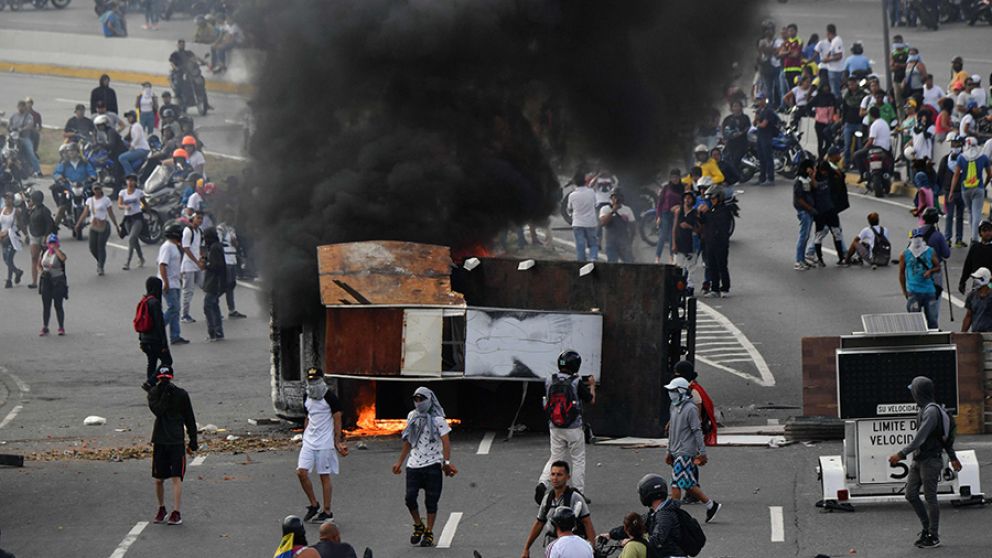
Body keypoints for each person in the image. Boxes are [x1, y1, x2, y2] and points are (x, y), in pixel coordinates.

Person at [888, 377, 960, 549]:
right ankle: (927, 528)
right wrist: (952, 457)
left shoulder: (931, 412)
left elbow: (921, 437)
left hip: (930, 460)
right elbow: (943, 439)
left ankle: (933, 535)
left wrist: (901, 454)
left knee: (930, 497)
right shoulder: (923, 410)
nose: (912, 394)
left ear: (919, 392)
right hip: (920, 460)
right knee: (910, 494)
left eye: (913, 391)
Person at [392, 387, 457, 548]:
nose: (419, 403)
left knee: (431, 501)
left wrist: (446, 463)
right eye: (416, 399)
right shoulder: (412, 416)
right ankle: (418, 525)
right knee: (409, 498)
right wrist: (400, 461)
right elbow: (409, 440)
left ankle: (429, 531)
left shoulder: (438, 419)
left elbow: (446, 442)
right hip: (414, 464)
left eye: (422, 399)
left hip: (433, 464)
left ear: (429, 400)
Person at [536, 350, 595, 504]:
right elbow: (590, 399)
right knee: (578, 460)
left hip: (555, 426)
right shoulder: (576, 382)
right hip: (573, 427)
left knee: (555, 457)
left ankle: (543, 482)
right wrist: (592, 386)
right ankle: (578, 493)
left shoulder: (549, 380)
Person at [664, 377, 721, 523]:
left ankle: (674, 514)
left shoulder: (690, 409)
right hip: (676, 450)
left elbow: (697, 431)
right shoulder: (674, 406)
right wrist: (668, 450)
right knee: (687, 483)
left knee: (676, 483)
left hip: (685, 451)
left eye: (673, 391)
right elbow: (672, 431)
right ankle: (711, 505)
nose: (671, 394)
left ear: (682, 391)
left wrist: (702, 452)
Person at [297, 367, 348, 524]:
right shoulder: (306, 396)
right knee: (301, 472)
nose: (313, 383)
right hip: (309, 441)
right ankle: (314, 504)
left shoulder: (330, 397)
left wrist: (337, 440)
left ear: (321, 380)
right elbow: (308, 417)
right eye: (310, 380)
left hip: (325, 443)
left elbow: (337, 417)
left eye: (316, 380)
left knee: (323, 476)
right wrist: (304, 435)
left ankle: (327, 511)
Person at [148, 365, 197, 526]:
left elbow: (189, 417)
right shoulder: (154, 393)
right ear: (158, 379)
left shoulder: (181, 394)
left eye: (166, 379)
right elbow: (158, 411)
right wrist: (164, 395)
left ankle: (176, 511)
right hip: (160, 440)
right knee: (158, 479)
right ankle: (161, 508)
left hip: (176, 440)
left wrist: (193, 440)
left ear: (171, 378)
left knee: (177, 477)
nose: (164, 382)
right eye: (162, 379)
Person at [522, 461, 595, 558]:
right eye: (553, 474)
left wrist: (593, 549)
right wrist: (526, 548)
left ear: (567, 477)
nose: (555, 478)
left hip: (572, 546)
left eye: (559, 475)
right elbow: (539, 523)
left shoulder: (575, 498)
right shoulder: (547, 498)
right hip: (553, 545)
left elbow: (587, 523)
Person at [604, 474, 685, 557]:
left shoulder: (664, 515)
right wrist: (611, 534)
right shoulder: (655, 513)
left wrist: (633, 541)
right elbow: (634, 525)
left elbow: (657, 540)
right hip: (662, 554)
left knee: (633, 548)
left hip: (671, 555)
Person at [950, 137, 992, 242]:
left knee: (970, 212)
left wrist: (951, 191)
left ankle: (974, 235)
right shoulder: (983, 157)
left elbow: (956, 175)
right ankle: (974, 237)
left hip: (965, 189)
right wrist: (985, 184)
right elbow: (989, 174)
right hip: (978, 188)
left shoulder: (961, 157)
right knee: (977, 212)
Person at [899, 229, 941, 329]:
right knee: (914, 322)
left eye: (919, 237)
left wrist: (930, 271)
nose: (917, 240)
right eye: (914, 238)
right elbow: (901, 273)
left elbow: (938, 267)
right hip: (913, 292)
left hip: (929, 291)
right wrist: (904, 291)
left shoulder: (930, 251)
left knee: (932, 321)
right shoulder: (905, 254)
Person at [74, 184, 118, 276]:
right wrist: (78, 224)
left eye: (98, 189)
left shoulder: (106, 200)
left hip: (103, 226)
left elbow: (111, 213)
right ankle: (100, 261)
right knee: (92, 247)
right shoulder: (90, 200)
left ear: (101, 189)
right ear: (93, 190)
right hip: (93, 226)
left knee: (101, 247)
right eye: (95, 189)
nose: (97, 191)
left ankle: (101, 266)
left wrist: (116, 225)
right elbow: (85, 213)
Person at [698, 185, 733, 296]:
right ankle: (715, 288)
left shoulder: (724, 211)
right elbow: (702, 221)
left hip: (720, 244)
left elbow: (722, 226)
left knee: (721, 265)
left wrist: (708, 213)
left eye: (713, 199)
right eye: (711, 199)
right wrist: (700, 213)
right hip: (710, 243)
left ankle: (725, 288)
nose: (711, 201)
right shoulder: (710, 211)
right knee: (711, 265)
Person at [158, 222, 189, 345]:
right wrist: (165, 282)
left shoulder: (174, 246)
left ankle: (175, 336)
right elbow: (162, 265)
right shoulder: (167, 247)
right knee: (174, 308)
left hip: (175, 282)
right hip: (168, 283)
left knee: (176, 310)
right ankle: (157, 329)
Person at [139, 276, 171, 391]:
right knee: (167, 361)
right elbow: (160, 326)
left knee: (151, 362)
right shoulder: (155, 303)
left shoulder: (144, 300)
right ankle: (151, 382)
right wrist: (164, 344)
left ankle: (151, 388)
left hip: (145, 339)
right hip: (155, 340)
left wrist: (141, 339)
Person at [37, 233, 67, 337]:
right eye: (50, 243)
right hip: (46, 281)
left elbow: (63, 259)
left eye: (53, 243)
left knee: (58, 305)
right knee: (46, 305)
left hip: (58, 281)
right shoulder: (44, 253)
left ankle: (61, 327)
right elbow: (39, 265)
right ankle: (45, 326)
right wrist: (42, 272)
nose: (51, 245)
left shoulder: (59, 253)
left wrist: (56, 250)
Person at [940, 134, 966, 247]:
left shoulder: (965, 160)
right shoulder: (945, 159)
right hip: (948, 192)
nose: (954, 146)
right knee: (949, 215)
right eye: (952, 144)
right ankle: (947, 238)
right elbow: (940, 175)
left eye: (956, 144)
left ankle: (959, 239)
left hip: (961, 192)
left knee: (960, 216)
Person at [216, 216, 245, 318]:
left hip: (232, 259)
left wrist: (235, 242)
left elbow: (235, 243)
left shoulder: (232, 229)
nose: (231, 219)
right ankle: (212, 303)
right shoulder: (220, 228)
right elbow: (218, 244)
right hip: (225, 259)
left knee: (231, 286)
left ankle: (232, 310)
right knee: (224, 285)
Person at [201, 227, 226, 341]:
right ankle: (218, 331)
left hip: (214, 282)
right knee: (214, 306)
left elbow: (217, 266)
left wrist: (205, 265)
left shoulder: (215, 248)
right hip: (216, 282)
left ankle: (213, 332)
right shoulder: (214, 247)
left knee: (208, 306)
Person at [25, 190, 54, 289]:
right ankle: (34, 281)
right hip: (34, 235)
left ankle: (48, 279)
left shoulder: (45, 211)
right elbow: (25, 221)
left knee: (45, 260)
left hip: (43, 236)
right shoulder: (32, 210)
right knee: (34, 257)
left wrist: (46, 236)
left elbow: (50, 224)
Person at [672, 191, 700, 290]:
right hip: (680, 242)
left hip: (691, 243)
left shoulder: (695, 212)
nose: (687, 200)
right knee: (678, 267)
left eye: (689, 198)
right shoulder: (678, 212)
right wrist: (674, 243)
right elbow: (674, 228)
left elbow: (698, 229)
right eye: (685, 198)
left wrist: (689, 226)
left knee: (691, 267)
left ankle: (690, 286)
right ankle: (677, 286)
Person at [567, 173, 598, 262]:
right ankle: (593, 258)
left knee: (580, 245)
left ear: (575, 183)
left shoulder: (572, 195)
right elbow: (595, 204)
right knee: (593, 244)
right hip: (590, 222)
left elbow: (569, 209)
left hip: (577, 223)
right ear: (585, 182)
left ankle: (581, 263)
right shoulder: (591, 192)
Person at [599, 189, 635, 263]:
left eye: (619, 197)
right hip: (611, 243)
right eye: (614, 197)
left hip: (624, 243)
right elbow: (603, 223)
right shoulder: (605, 209)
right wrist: (613, 211)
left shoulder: (627, 210)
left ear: (622, 198)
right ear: (611, 198)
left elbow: (633, 227)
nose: (616, 199)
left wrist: (630, 242)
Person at [655, 170, 684, 264]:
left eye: (676, 177)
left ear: (679, 178)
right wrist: (658, 216)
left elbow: (685, 201)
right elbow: (660, 203)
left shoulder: (682, 188)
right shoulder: (666, 188)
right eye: (673, 177)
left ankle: (671, 257)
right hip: (665, 213)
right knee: (663, 236)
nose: (674, 179)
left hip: (676, 214)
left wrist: (678, 206)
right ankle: (657, 257)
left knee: (673, 235)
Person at [793, 160, 817, 271]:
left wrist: (812, 175)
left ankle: (802, 259)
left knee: (806, 236)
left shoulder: (807, 179)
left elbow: (815, 186)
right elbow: (799, 199)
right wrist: (809, 208)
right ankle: (798, 261)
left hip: (809, 212)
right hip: (804, 212)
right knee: (803, 236)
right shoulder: (799, 181)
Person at [180, 212, 204, 324]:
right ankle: (184, 315)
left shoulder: (199, 231)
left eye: (201, 218)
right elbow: (186, 248)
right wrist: (196, 261)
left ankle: (211, 310)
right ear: (192, 219)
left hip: (197, 264)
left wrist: (202, 260)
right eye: (198, 218)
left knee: (205, 286)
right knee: (188, 291)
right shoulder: (188, 231)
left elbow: (200, 247)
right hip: (189, 265)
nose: (200, 220)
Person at [118, 175, 145, 270]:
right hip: (127, 219)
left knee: (132, 238)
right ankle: (141, 257)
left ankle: (127, 262)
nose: (130, 182)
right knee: (134, 240)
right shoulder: (122, 193)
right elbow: (119, 204)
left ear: (135, 182)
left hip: (137, 217)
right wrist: (125, 207)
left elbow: (144, 203)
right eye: (128, 180)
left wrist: (148, 213)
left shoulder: (139, 193)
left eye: (132, 181)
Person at [8, 100, 42, 177]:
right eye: (19, 106)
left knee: (30, 153)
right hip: (13, 138)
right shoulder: (14, 116)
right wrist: (10, 128)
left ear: (25, 107)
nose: (21, 108)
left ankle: (38, 170)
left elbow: (30, 125)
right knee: (6, 152)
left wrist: (22, 129)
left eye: (22, 106)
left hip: (24, 137)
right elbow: (9, 125)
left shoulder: (28, 116)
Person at [958, 220, 992, 294]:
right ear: (980, 233)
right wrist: (962, 281)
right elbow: (968, 266)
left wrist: (989, 286)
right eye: (984, 230)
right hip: (977, 284)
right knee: (975, 303)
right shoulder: (975, 247)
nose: (987, 233)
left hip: (990, 284)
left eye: (989, 230)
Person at [753, 93, 779, 185]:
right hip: (760, 136)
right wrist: (756, 117)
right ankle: (762, 178)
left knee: (768, 157)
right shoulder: (759, 111)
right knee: (761, 158)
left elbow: (764, 125)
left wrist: (758, 122)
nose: (759, 101)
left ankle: (770, 178)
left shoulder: (768, 111)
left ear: (764, 99)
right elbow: (754, 124)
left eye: (760, 99)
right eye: (758, 99)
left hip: (767, 136)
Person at [1, 192, 25, 288]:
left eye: (9, 198)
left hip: (12, 237)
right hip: (3, 238)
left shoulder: (16, 212)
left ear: (13, 200)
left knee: (9, 259)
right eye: (6, 198)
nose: (7, 200)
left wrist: (26, 235)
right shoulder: (1, 210)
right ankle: (17, 272)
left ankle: (9, 280)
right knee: (5, 259)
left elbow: (21, 225)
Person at [721, 100, 750, 173]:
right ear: (732, 108)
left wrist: (740, 133)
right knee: (731, 159)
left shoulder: (745, 117)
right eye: (734, 106)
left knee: (738, 158)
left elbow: (748, 128)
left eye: (738, 106)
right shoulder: (728, 119)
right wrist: (726, 137)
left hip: (742, 142)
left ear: (741, 107)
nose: (736, 108)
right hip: (731, 143)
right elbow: (723, 129)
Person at [119, 111, 151, 177]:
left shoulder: (136, 126)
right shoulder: (132, 127)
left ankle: (130, 176)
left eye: (129, 117)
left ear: (134, 117)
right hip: (140, 149)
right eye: (127, 117)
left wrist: (132, 145)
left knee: (122, 158)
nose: (128, 119)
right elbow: (127, 137)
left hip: (142, 149)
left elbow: (137, 136)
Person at [963, 268, 992, 332]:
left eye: (978, 278)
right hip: (976, 334)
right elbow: (968, 316)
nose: (975, 280)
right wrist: (962, 334)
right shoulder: (972, 295)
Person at [821, 24, 845, 96]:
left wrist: (827, 60)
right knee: (833, 91)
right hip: (832, 70)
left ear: (828, 33)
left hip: (836, 70)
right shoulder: (834, 41)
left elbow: (839, 55)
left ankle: (837, 105)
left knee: (835, 92)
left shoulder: (837, 41)